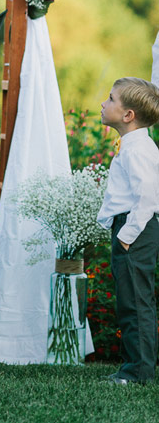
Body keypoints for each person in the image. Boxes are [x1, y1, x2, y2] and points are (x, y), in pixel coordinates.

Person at [97, 77, 159, 385]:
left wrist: (126, 236)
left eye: (110, 99)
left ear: (128, 115)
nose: (103, 104)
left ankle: (138, 372)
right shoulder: (133, 146)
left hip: (136, 231)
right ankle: (134, 366)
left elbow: (147, 198)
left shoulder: (138, 151)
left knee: (136, 302)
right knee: (130, 301)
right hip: (130, 229)